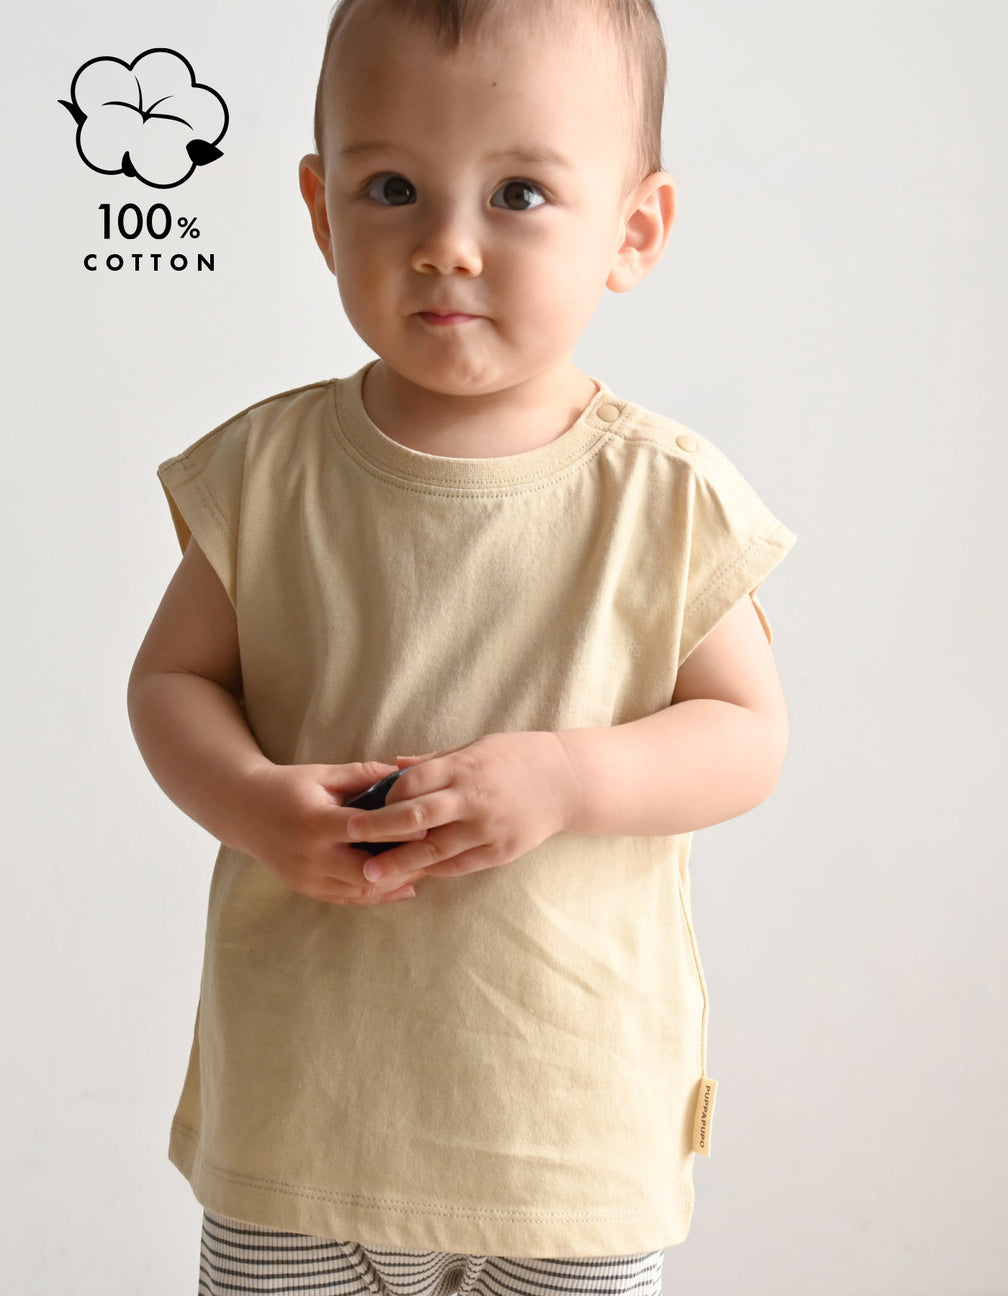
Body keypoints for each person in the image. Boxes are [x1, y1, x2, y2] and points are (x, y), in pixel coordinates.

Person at [126, 0, 798, 1292]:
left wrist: (568, 777)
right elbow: (173, 682)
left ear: (634, 229)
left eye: (518, 195)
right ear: (322, 210)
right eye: (393, 189)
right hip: (301, 1120)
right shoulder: (268, 472)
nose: (445, 245)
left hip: (563, 1137)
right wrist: (253, 800)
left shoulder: (662, 497)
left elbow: (747, 736)